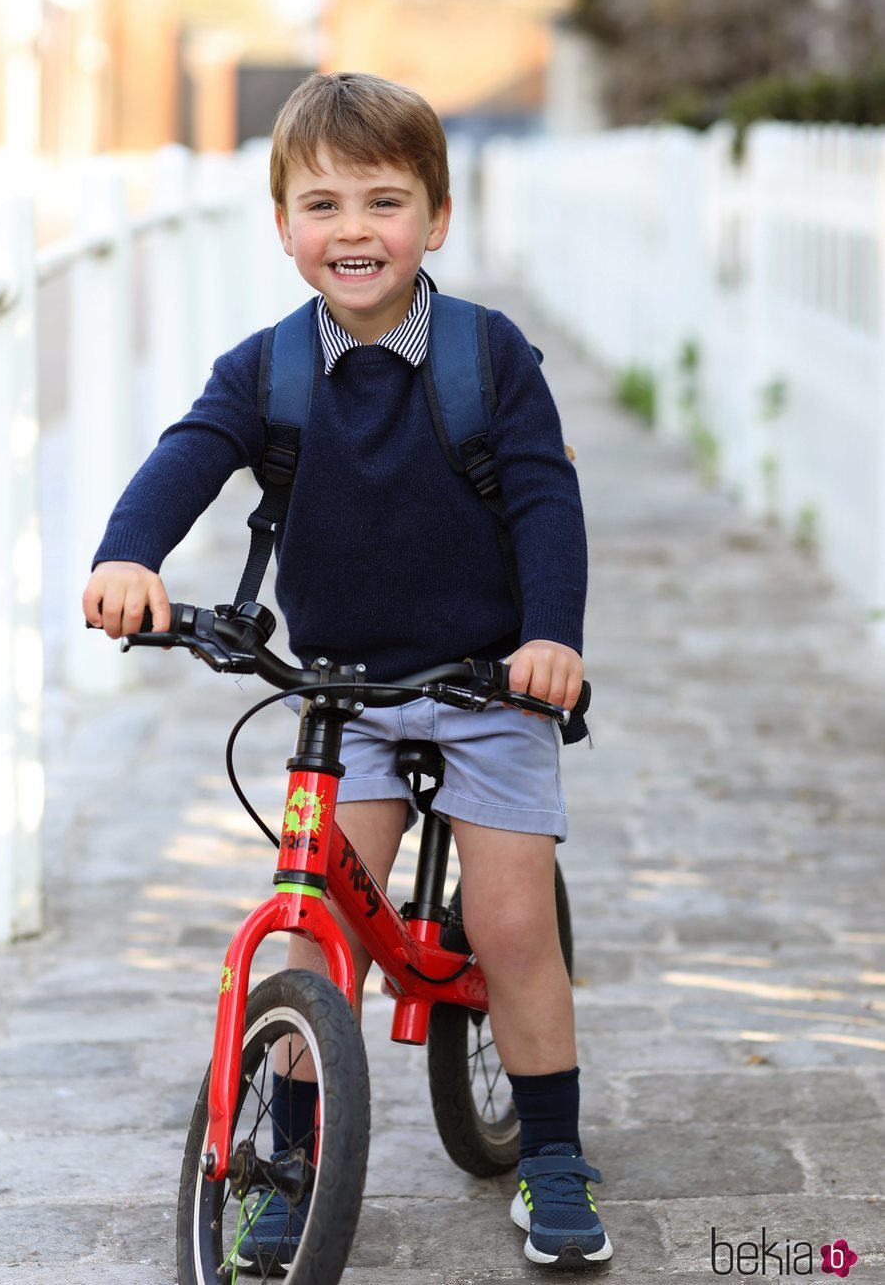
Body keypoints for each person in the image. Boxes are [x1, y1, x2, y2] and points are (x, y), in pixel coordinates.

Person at [82, 71, 610, 1270]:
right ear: (282, 227)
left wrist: (551, 636)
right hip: (340, 690)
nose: (354, 230)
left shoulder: (487, 355)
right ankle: (283, 1159)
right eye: (322, 205)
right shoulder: (264, 369)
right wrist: (128, 555)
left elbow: (542, 493)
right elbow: (191, 455)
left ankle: (552, 1152)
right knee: (317, 933)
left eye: (384, 200)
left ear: (435, 216)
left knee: (512, 920)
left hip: (488, 681)